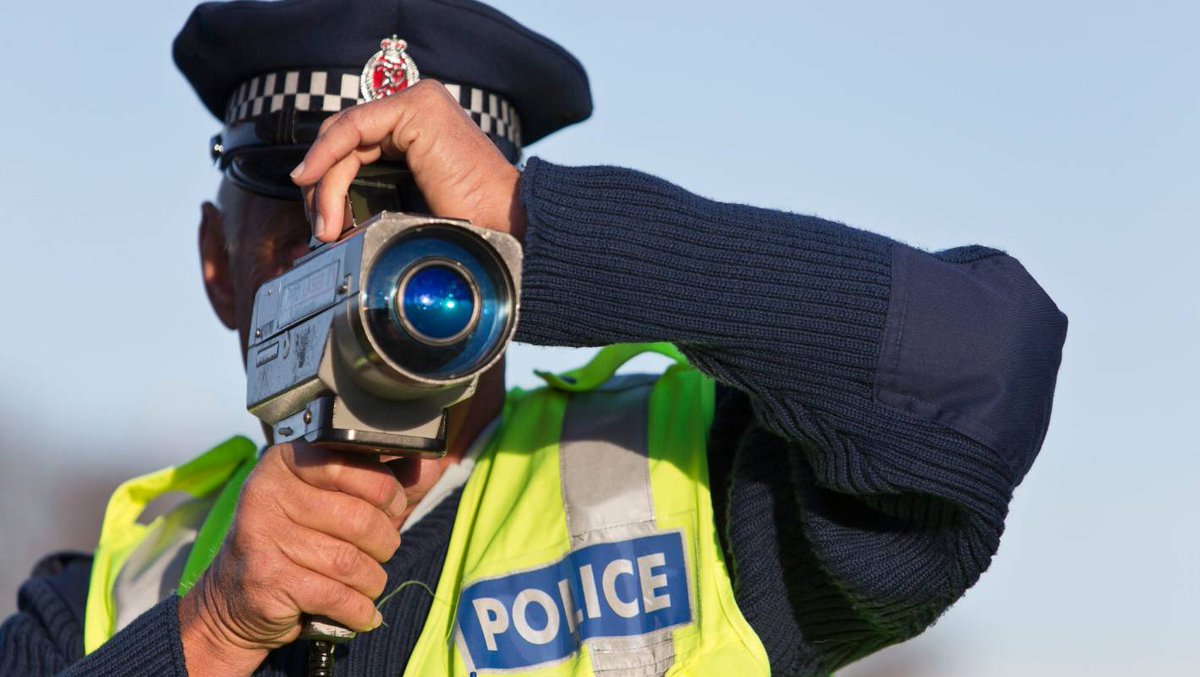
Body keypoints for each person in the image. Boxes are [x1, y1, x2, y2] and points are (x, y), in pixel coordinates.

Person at [0, 1, 1068, 675]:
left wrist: (547, 225)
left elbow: (979, 369)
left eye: (421, 227)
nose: (365, 272)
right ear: (218, 262)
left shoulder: (700, 487)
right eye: (310, 213)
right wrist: (210, 634)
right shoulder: (111, 592)